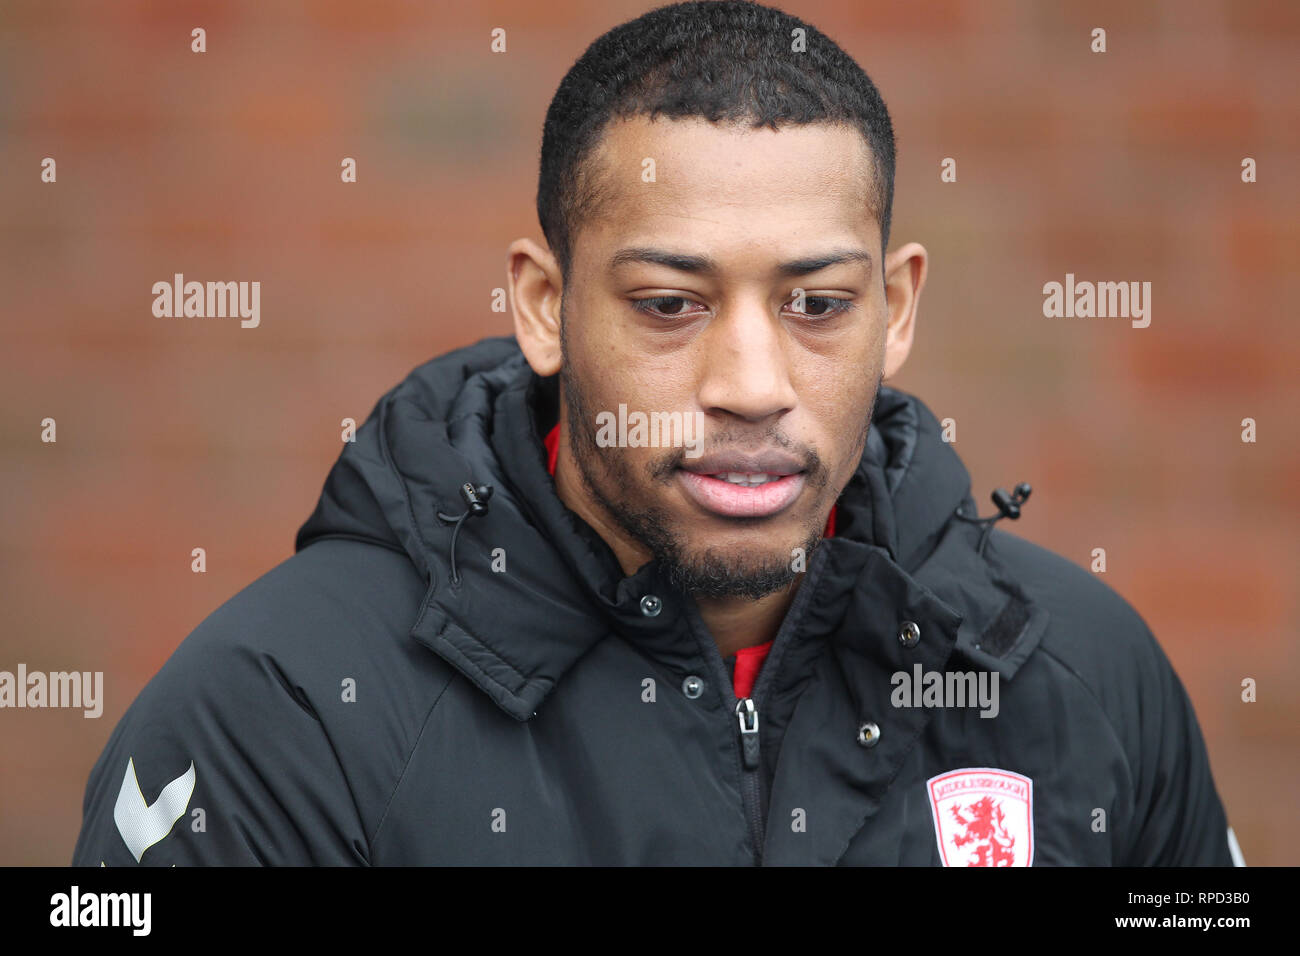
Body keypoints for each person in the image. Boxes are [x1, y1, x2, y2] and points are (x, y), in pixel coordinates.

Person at [74, 0, 1240, 866]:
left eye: (817, 304)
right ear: (544, 305)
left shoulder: (1080, 675)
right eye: (669, 305)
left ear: (899, 309)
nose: (749, 383)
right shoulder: (282, 708)